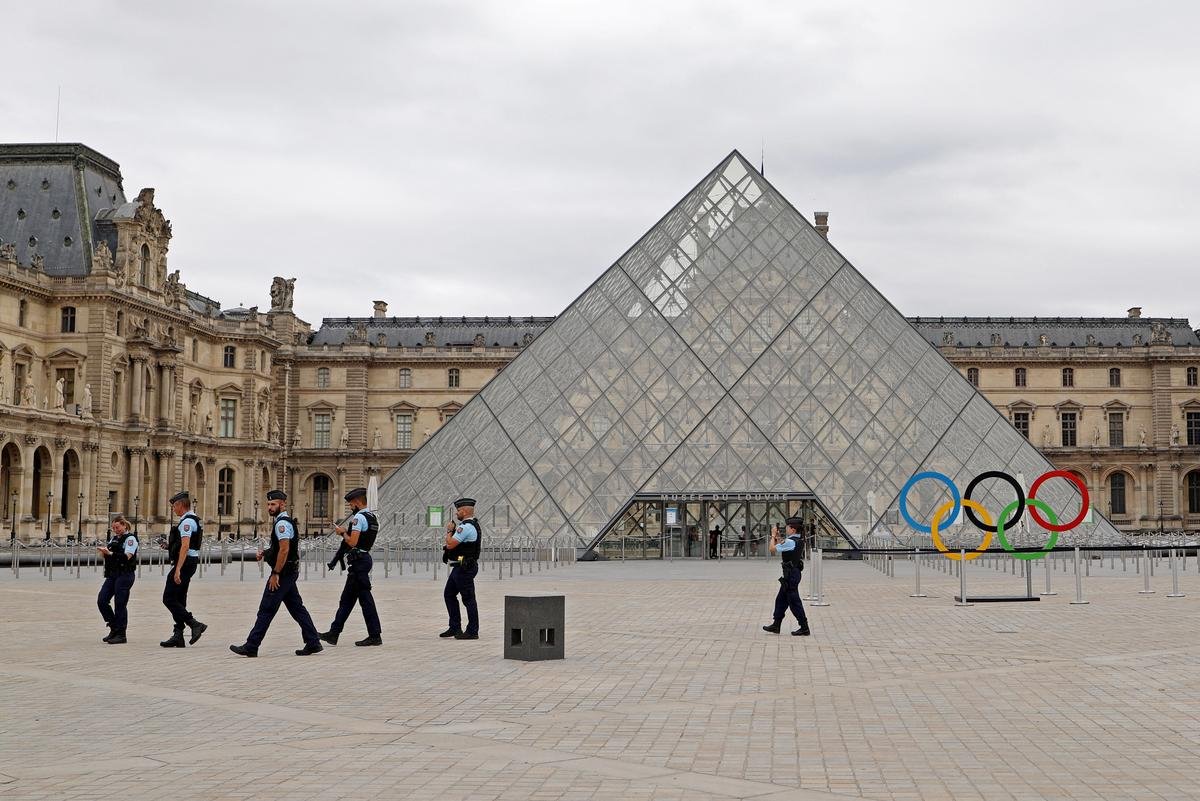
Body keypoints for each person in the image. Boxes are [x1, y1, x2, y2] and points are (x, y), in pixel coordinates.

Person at [230, 490, 322, 657]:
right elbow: (280, 548)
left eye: (273, 504)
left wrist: (275, 573)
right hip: (290, 571)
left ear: (282, 504)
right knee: (297, 608)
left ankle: (252, 645)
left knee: (266, 609)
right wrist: (266, 553)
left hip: (283, 573)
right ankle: (313, 641)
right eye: (269, 505)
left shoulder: (281, 524)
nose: (270, 508)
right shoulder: (285, 522)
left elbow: (285, 549)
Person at [319, 487, 382, 647]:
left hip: (359, 562)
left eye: (350, 505)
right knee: (346, 600)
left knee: (365, 600)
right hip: (363, 559)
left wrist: (341, 532)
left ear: (357, 502)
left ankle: (375, 635)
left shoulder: (358, 518)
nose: (350, 508)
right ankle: (334, 632)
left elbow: (352, 542)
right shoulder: (372, 517)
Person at [160, 491, 207, 648]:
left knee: (168, 598)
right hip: (189, 561)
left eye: (174, 506)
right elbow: (184, 544)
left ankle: (194, 624)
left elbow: (186, 545)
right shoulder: (191, 520)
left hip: (185, 563)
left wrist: (178, 569)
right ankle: (178, 635)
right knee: (180, 598)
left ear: (181, 505)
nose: (173, 509)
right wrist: (169, 546)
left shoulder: (187, 522)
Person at [440, 497, 481, 640]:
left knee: (468, 599)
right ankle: (455, 627)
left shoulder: (465, 527)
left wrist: (449, 531)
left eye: (458, 511)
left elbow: (450, 544)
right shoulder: (471, 525)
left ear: (463, 511)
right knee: (449, 594)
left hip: (464, 568)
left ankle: (472, 630)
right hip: (460, 567)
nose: (456, 513)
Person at [763, 517, 811, 637]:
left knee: (794, 602)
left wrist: (773, 536)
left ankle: (804, 627)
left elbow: (772, 549)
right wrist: (778, 538)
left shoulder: (790, 542)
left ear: (793, 529)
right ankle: (776, 624)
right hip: (791, 573)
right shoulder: (796, 540)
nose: (786, 529)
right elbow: (784, 545)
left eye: (788, 527)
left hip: (791, 575)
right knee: (781, 600)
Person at [97, 515, 138, 644]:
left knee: (120, 604)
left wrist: (111, 554)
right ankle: (113, 626)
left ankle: (121, 634)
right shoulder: (113, 539)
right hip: (113, 574)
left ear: (124, 525)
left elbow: (128, 556)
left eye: (117, 527)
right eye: (113, 528)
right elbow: (107, 555)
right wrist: (104, 553)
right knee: (102, 600)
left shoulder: (130, 539)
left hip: (125, 574)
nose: (115, 530)